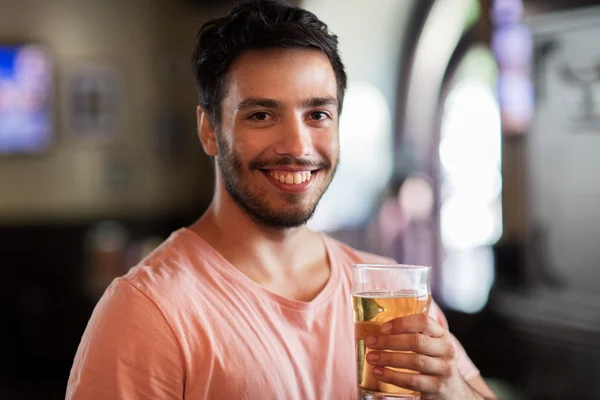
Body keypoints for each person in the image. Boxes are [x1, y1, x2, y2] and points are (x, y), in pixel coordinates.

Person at [66, 1, 497, 399]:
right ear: (209, 130)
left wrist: (452, 391)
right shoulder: (146, 311)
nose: (297, 144)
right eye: (261, 115)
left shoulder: (388, 290)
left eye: (318, 115)